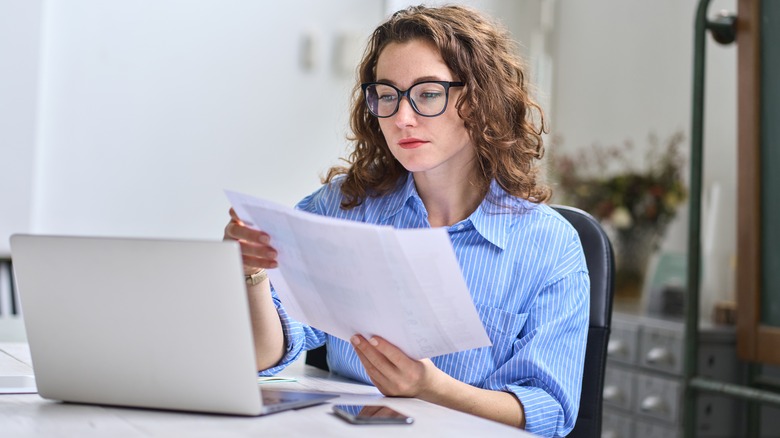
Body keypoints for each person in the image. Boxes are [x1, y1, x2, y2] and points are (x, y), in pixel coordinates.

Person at [223, 5, 589, 437]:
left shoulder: (550, 245)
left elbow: (550, 411)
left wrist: (431, 388)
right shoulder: (342, 206)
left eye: (428, 93)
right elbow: (268, 355)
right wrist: (253, 274)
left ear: (479, 100)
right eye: (388, 94)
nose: (402, 118)